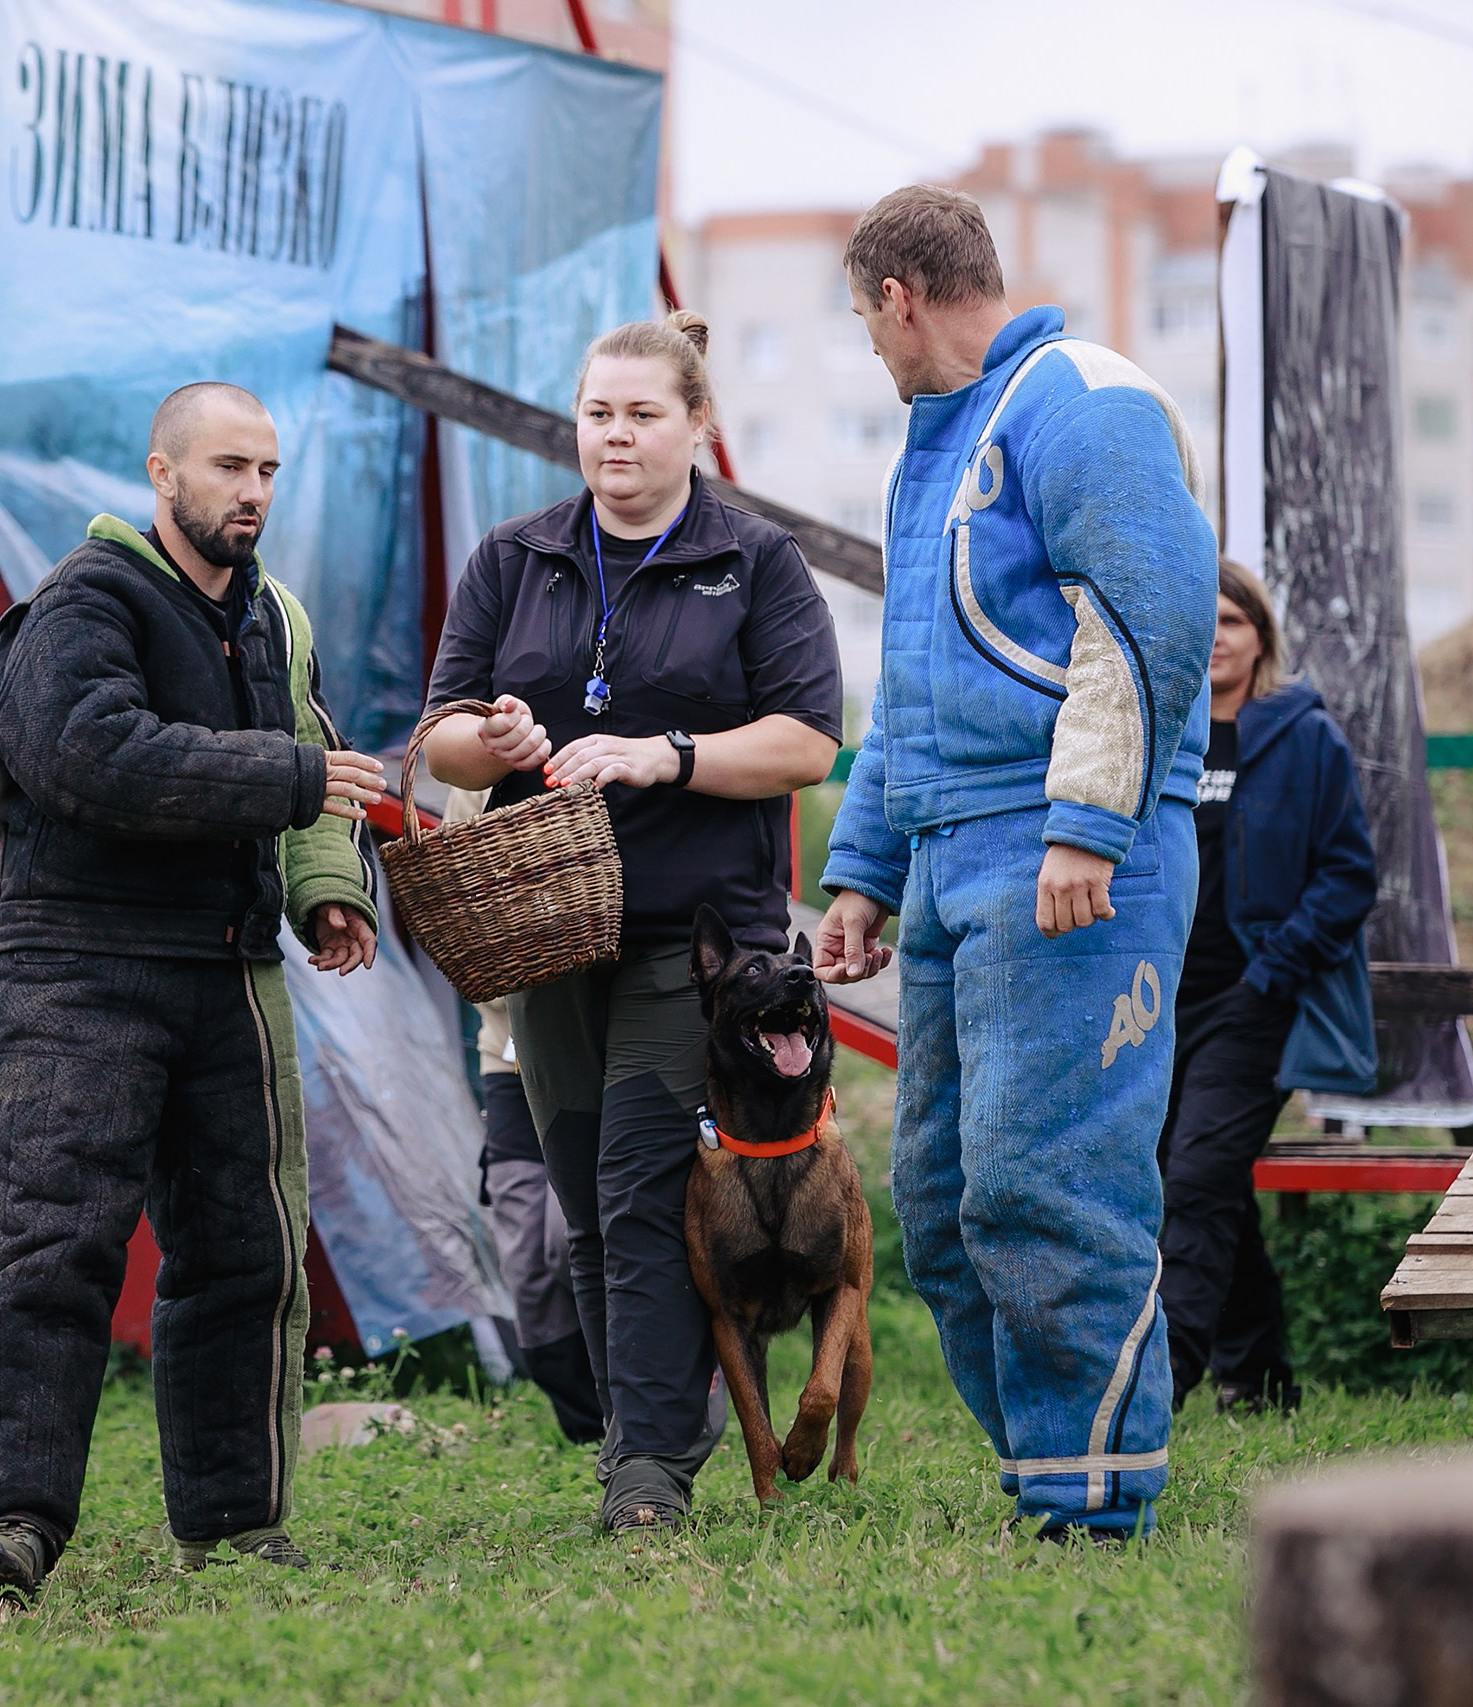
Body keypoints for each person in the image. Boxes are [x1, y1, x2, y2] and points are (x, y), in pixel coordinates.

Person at [815, 186, 1215, 1542]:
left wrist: (1088, 823)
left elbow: (1148, 614)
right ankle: (1051, 1467)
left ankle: (1096, 1496)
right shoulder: (941, 447)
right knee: (941, 1194)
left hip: (1070, 849)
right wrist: (861, 870)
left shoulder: (1083, 398)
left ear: (896, 297)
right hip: (951, 851)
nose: (871, 347)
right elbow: (915, 685)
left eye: (864, 322)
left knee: (1054, 1179)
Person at [0, 383, 387, 1597]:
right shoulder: (82, 604)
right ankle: (16, 1525)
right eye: (227, 467)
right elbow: (92, 755)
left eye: (266, 470)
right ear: (162, 474)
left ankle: (235, 1523)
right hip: (75, 965)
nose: (250, 492)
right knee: (57, 1243)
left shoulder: (274, 618)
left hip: (230, 968)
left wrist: (324, 891)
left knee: (247, 1252)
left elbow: (320, 765)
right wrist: (289, 781)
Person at [420, 311, 843, 1533]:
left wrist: (670, 755)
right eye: (598, 413)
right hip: (549, 934)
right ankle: (656, 1424)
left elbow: (805, 742)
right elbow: (436, 728)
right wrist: (487, 740)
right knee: (585, 1210)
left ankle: (647, 1473)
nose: (616, 435)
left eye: (642, 413)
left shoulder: (753, 561)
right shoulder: (517, 556)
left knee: (641, 1192)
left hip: (693, 945)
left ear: (697, 424)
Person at [1158, 558, 1377, 1417]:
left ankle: (1162, 1380)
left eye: (1233, 621)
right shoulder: (1159, 731)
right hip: (1154, 998)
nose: (1215, 634)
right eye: (1201, 618)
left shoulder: (1303, 738)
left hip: (1249, 1002)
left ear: (1260, 638)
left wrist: (1272, 970)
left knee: (1198, 1176)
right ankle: (1260, 1370)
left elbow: (1348, 875)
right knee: (1199, 1177)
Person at [446, 787, 606, 1447]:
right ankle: (588, 1424)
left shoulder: (605, 755)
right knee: (526, 1254)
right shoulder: (473, 783)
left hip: (603, 1045)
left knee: (562, 1235)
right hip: (508, 1047)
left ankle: (649, 1410)